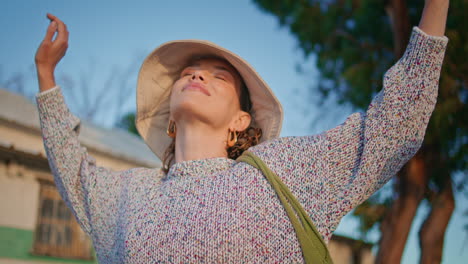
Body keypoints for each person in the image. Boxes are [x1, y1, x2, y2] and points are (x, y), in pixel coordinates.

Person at [34, 0, 449, 263]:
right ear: (171, 120)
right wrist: (46, 75)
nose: (197, 73)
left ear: (241, 121)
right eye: (188, 72)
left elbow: (394, 124)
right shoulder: (126, 195)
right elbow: (73, 173)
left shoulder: (282, 172)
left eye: (219, 75)